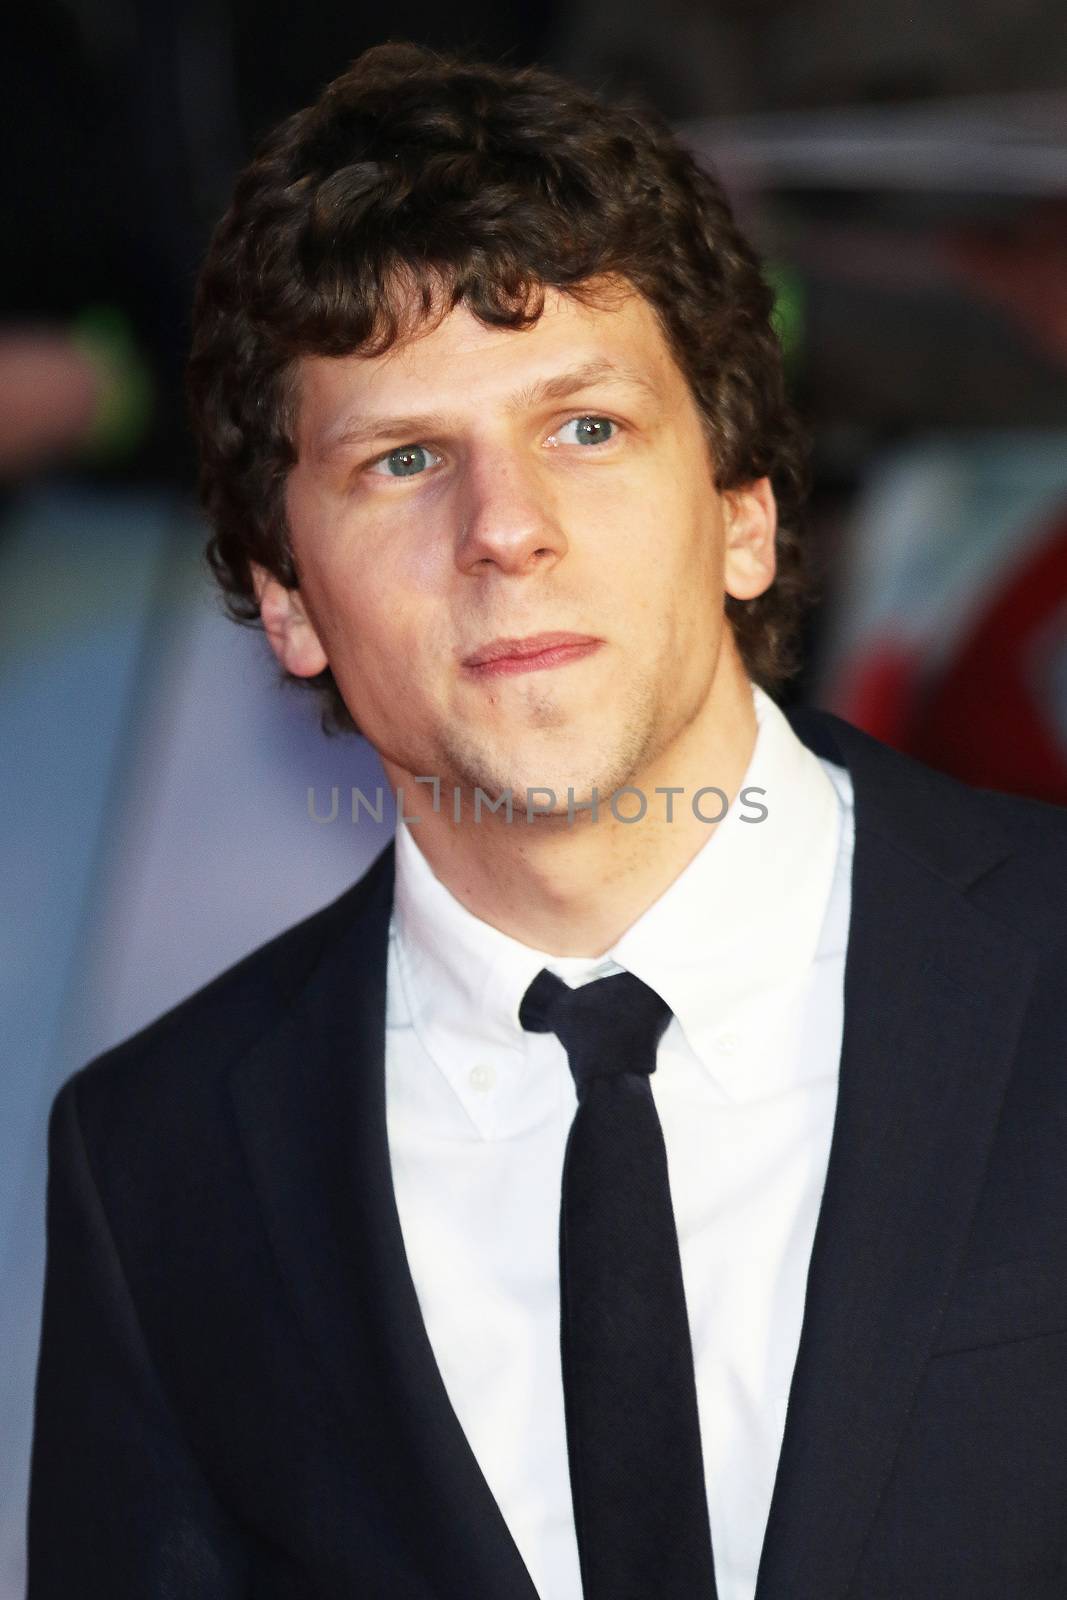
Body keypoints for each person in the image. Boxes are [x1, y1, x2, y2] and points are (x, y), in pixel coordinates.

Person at [26, 39, 1067, 1600]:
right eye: (402, 459)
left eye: (585, 426)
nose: (504, 530)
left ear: (744, 511)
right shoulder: (158, 1168)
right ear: (285, 596)